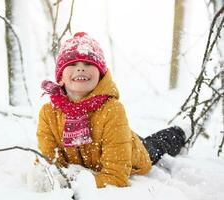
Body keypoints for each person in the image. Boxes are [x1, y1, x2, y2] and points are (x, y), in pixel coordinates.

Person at [37, 32, 185, 188]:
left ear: (100, 75)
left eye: (88, 63)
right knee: (128, 136)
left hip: (135, 151)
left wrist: (69, 184)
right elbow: (49, 163)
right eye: (72, 64)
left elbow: (115, 177)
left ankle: (181, 131)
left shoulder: (112, 110)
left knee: (159, 144)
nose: (80, 69)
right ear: (60, 77)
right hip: (112, 138)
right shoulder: (49, 113)